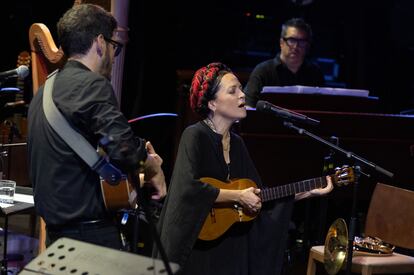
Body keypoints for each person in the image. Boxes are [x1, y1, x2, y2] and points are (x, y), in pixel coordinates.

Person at [156, 62, 332, 274]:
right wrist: (237, 196)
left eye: (241, 88)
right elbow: (187, 189)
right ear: (212, 103)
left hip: (230, 250)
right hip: (196, 248)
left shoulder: (237, 143)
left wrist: (307, 191)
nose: (242, 95)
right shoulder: (194, 135)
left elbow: (259, 196)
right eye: (233, 90)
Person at [27, 4, 166, 250]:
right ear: (101, 43)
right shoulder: (92, 85)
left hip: (55, 239)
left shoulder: (44, 93)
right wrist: (151, 165)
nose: (114, 56)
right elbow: (126, 152)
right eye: (115, 47)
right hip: (90, 238)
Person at [244, 17, 325, 107]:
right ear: (281, 42)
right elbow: (247, 106)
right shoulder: (263, 71)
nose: (295, 46)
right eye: (291, 40)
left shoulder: (315, 73)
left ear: (307, 45)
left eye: (301, 41)